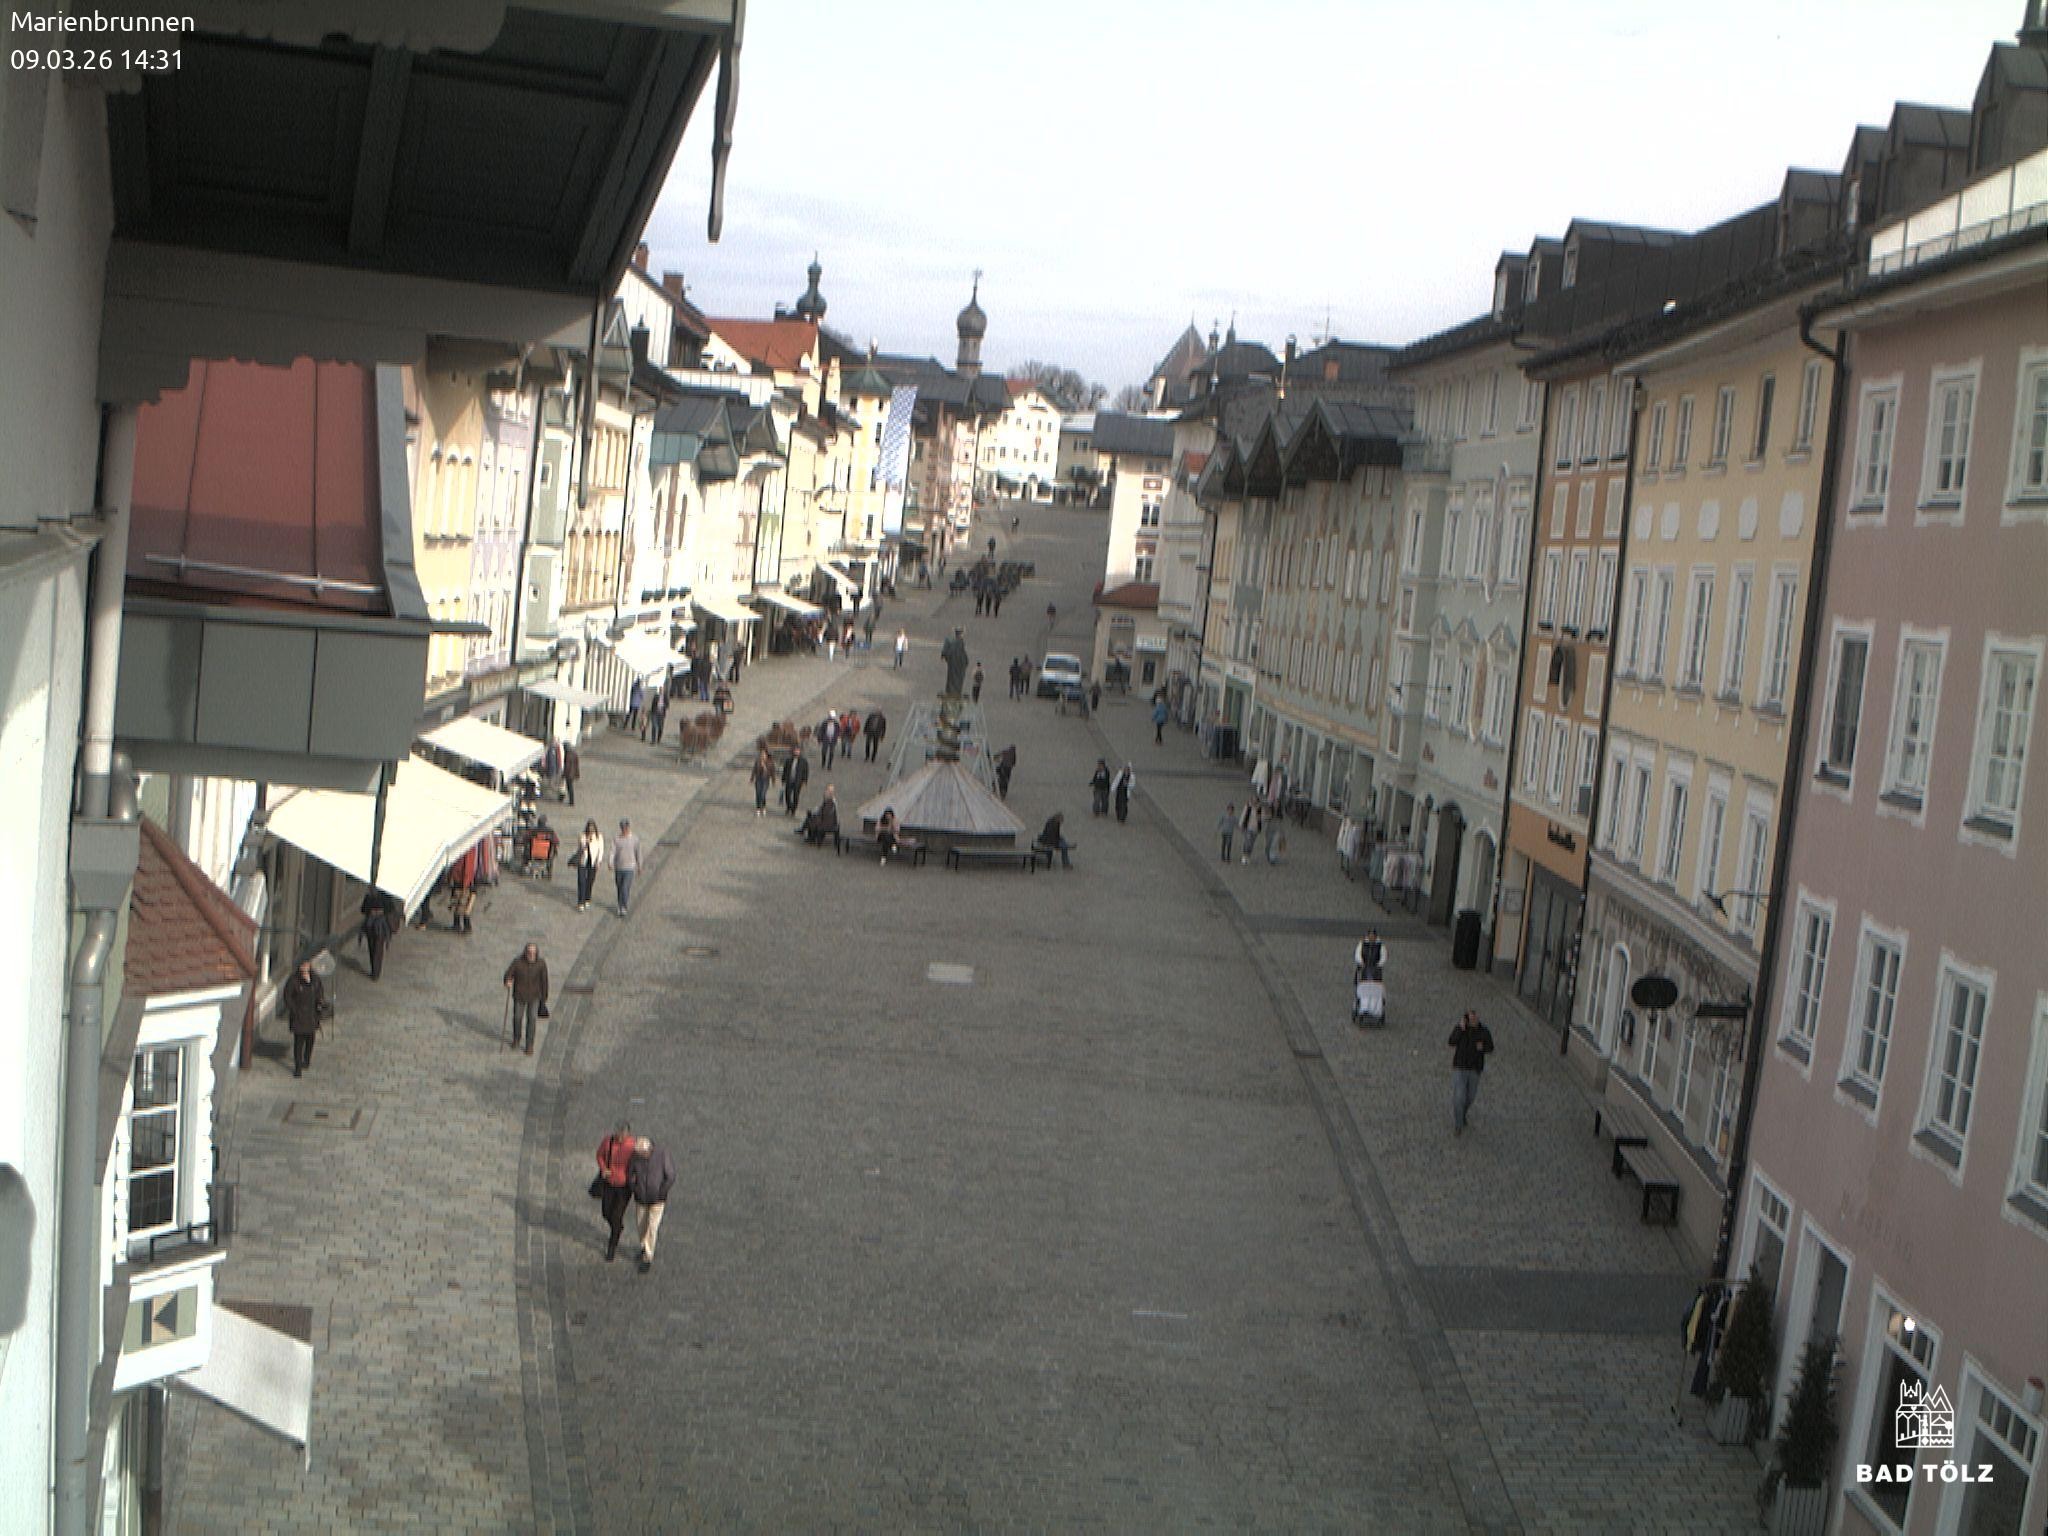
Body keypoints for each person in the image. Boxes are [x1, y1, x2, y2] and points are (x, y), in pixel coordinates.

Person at [628, 1136, 675, 1271]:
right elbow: (630, 1173)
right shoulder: (636, 1156)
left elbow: (670, 1176)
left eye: (643, 1154)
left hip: (657, 1201)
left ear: (650, 1150)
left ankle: (648, 1256)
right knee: (641, 1225)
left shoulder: (662, 1154)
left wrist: (662, 1192)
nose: (641, 1156)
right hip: (641, 1199)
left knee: (652, 1228)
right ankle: (644, 1247)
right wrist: (634, 1187)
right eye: (639, 1154)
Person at [1448, 1010, 1496, 1136]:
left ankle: (1462, 1113)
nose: (1475, 1021)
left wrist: (1482, 1048)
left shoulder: (1483, 1031)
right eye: (1472, 1019)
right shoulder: (1461, 1029)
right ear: (1467, 1020)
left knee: (1470, 1096)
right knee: (1459, 1097)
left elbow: (1490, 1047)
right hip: (1460, 1067)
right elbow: (1451, 1041)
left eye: (1476, 1018)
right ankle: (1458, 1124)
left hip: (1475, 1068)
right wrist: (1460, 1029)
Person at [594, 1123, 636, 1262]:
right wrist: (603, 1168)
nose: (620, 1138)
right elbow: (599, 1155)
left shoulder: (633, 1146)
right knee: (606, 1212)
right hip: (609, 1183)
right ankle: (617, 1227)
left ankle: (612, 1247)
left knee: (617, 1216)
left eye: (623, 1136)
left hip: (624, 1187)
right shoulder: (608, 1141)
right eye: (618, 1135)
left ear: (628, 1134)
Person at [503, 941, 549, 1055]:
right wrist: (507, 980)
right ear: (525, 952)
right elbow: (508, 974)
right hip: (519, 995)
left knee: (532, 1019)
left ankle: (529, 1045)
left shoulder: (541, 964)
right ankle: (516, 1038)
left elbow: (544, 981)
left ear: (536, 953)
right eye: (529, 952)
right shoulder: (517, 962)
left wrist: (544, 998)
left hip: (534, 996)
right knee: (517, 1018)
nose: (531, 955)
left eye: (533, 952)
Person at [283, 958, 326, 1077]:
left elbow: (319, 993)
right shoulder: (294, 980)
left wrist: (320, 1002)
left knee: (310, 1040)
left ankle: (306, 1060)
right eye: (303, 965)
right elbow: (287, 997)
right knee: (299, 1042)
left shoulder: (315, 980)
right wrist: (294, 1009)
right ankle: (298, 1067)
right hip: (299, 1016)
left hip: (312, 1015)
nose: (305, 967)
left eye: (307, 965)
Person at [360, 890, 396, 980]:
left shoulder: (369, 896)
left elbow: (363, 910)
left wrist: (371, 911)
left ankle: (374, 970)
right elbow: (391, 910)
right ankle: (376, 972)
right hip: (380, 926)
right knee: (378, 949)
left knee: (372, 947)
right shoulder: (386, 896)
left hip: (371, 925)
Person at [610, 818, 642, 917]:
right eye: (622, 827)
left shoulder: (635, 839)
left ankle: (624, 906)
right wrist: (610, 862)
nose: (624, 829)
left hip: (630, 867)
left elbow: (638, 853)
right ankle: (620, 905)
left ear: (628, 827)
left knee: (625, 887)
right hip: (619, 867)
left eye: (625, 827)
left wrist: (639, 865)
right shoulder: (616, 839)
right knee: (619, 887)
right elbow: (613, 851)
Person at [572, 820, 604, 911]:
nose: (591, 830)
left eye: (592, 828)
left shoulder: (599, 837)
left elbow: (601, 850)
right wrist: (587, 841)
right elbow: (581, 847)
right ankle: (580, 902)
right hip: (583, 861)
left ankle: (587, 898)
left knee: (590, 881)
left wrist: (599, 861)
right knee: (581, 881)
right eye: (589, 828)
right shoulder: (582, 836)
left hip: (593, 862)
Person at [783, 745, 810, 816]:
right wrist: (783, 779)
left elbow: (806, 771)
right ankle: (789, 807)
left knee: (796, 795)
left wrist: (804, 781)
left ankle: (793, 809)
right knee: (787, 794)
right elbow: (785, 770)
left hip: (798, 781)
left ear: (800, 752)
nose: (796, 752)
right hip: (789, 780)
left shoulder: (803, 761)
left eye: (798, 751)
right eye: (795, 750)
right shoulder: (789, 760)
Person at [447, 869, 476, 935]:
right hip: (459, 881)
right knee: (456, 903)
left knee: (463, 905)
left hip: (463, 883)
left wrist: (465, 884)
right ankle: (456, 924)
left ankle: (467, 927)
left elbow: (468, 870)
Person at [750, 748, 775, 818]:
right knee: (758, 794)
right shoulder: (758, 761)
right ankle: (758, 808)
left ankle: (763, 807)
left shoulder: (770, 762)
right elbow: (754, 770)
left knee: (762, 794)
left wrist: (773, 781)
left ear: (766, 755)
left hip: (765, 780)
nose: (762, 755)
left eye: (764, 754)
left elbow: (772, 772)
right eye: (761, 754)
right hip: (758, 779)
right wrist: (752, 778)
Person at [1239, 801, 1261, 866]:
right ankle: (1244, 856)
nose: (1254, 802)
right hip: (1248, 828)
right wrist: (1241, 824)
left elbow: (1263, 818)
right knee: (1247, 842)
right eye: (1253, 800)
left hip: (1255, 829)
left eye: (1256, 801)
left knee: (1251, 844)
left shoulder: (1259, 809)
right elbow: (1243, 815)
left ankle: (1248, 856)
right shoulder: (1248, 807)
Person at [562, 740, 580, 807]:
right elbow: (576, 764)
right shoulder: (574, 753)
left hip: (569, 774)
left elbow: (567, 766)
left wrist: (564, 774)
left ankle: (571, 801)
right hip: (573, 773)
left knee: (569, 787)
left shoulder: (568, 755)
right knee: (570, 787)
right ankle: (571, 801)